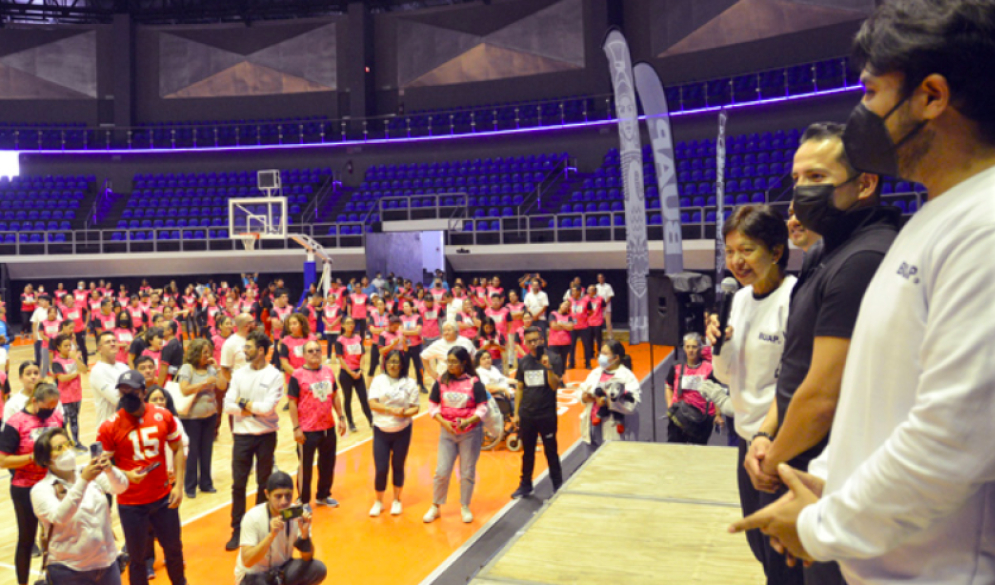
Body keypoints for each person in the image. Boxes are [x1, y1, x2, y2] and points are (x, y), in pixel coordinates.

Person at [733, 3, 995, 583]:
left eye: (872, 93)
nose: (861, 114)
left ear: (931, 96)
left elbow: (956, 436)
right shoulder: (935, 215)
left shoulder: (985, 228)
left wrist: (821, 524)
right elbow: (882, 398)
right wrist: (827, 479)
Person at [743, 122, 898, 584]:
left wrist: (771, 463)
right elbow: (796, 368)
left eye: (816, 178)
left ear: (865, 183)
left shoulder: (863, 260)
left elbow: (824, 394)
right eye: (796, 179)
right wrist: (764, 434)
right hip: (792, 457)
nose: (800, 191)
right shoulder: (823, 253)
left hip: (832, 478)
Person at [703, 205, 797, 581]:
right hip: (745, 440)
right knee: (759, 546)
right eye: (729, 251)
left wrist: (770, 435)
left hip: (780, 443)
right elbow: (725, 375)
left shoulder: (795, 299)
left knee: (781, 557)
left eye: (747, 250)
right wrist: (719, 344)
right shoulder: (737, 300)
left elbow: (797, 382)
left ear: (776, 251)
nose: (736, 261)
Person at [98, 370, 186, 585]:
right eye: (123, 391)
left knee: (174, 551)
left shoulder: (163, 416)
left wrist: (179, 486)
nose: (127, 395)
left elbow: (177, 447)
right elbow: (103, 464)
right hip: (131, 504)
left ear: (144, 392)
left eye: (133, 391)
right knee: (137, 559)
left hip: (163, 498)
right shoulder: (109, 426)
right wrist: (125, 475)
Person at [31, 427, 126, 585]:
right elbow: (60, 516)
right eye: (59, 448)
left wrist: (110, 470)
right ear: (46, 460)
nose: (67, 451)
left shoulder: (88, 472)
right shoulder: (41, 490)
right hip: (69, 571)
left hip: (107, 564)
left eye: (68, 444)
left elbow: (120, 487)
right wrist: (83, 481)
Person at [224, 330, 284, 551]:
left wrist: (243, 404)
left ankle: (259, 528)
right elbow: (228, 405)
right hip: (242, 437)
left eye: (248, 347)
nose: (244, 350)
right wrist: (252, 409)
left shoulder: (274, 375)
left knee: (263, 484)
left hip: (266, 436)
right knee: (238, 485)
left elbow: (268, 409)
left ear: (260, 351)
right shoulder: (239, 374)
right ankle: (237, 530)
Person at [0, 383, 64, 585]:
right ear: (35, 401)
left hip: (52, 485)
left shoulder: (56, 419)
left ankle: (53, 580)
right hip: (25, 487)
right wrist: (32, 457)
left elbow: (64, 445)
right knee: (27, 539)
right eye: (47, 406)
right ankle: (23, 582)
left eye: (54, 406)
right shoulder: (15, 422)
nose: (51, 410)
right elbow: (3, 461)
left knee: (56, 538)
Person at [423, 347, 488, 524]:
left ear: (463, 362)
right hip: (447, 433)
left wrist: (468, 422)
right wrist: (444, 423)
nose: (450, 365)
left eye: (453, 362)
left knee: (467, 472)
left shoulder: (474, 382)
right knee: (441, 471)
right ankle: (435, 506)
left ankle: (465, 506)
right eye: (448, 362)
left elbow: (482, 407)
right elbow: (432, 405)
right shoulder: (441, 381)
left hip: (470, 434)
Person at [235, 471, 326, 585]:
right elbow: (247, 561)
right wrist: (271, 536)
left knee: (317, 569)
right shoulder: (253, 517)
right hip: (254, 575)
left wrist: (304, 536)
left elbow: (307, 558)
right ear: (267, 494)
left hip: (282, 569)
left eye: (288, 496)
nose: (284, 501)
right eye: (278, 496)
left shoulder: (297, 513)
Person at [288, 340, 345, 508]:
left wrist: (341, 417)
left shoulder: (328, 371)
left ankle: (323, 495)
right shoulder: (297, 375)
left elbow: (334, 395)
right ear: (304, 355)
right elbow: (292, 402)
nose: (314, 353)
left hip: (328, 427)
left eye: (317, 350)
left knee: (328, 464)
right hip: (307, 430)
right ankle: (303, 499)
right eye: (310, 351)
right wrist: (296, 427)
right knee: (305, 466)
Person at [511, 326, 563, 499]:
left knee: (551, 451)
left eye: (536, 340)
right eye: (529, 341)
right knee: (528, 452)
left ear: (542, 339)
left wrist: (548, 368)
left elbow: (555, 386)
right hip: (527, 415)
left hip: (546, 414)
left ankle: (557, 484)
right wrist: (517, 413)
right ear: (525, 343)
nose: (533, 344)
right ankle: (525, 485)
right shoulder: (524, 361)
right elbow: (519, 388)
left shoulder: (554, 358)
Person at [367, 349, 420, 517]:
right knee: (381, 468)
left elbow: (416, 407)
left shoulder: (410, 383)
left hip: (402, 430)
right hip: (381, 430)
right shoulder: (378, 380)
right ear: (385, 364)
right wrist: (391, 410)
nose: (393, 365)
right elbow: (372, 403)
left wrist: (404, 413)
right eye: (390, 361)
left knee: (398, 466)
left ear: (402, 364)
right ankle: (379, 502)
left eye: (397, 362)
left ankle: (397, 500)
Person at [178, 338, 226, 498]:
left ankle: (206, 483)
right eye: (204, 352)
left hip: (210, 416)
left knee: (207, 450)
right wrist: (205, 383)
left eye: (209, 352)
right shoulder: (187, 368)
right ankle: (190, 487)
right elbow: (184, 389)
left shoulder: (211, 369)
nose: (207, 355)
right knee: (192, 452)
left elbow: (222, 386)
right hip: (191, 418)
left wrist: (218, 369)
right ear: (195, 352)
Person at [579, 339, 641, 451]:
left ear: (616, 357)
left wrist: (608, 402)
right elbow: (582, 390)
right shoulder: (596, 372)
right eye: (600, 353)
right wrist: (584, 397)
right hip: (591, 427)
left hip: (613, 429)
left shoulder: (627, 377)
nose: (600, 356)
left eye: (605, 354)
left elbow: (633, 406)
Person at [665, 333, 718, 445]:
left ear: (700, 348)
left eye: (694, 347)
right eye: (688, 347)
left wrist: (718, 415)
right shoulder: (676, 367)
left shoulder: (709, 369)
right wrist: (670, 404)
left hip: (701, 419)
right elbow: (668, 385)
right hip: (678, 418)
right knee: (674, 451)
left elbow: (716, 392)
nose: (691, 350)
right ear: (684, 348)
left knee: (698, 454)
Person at [50, 333, 88, 451]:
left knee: (75, 420)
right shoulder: (56, 362)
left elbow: (85, 370)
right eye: (65, 346)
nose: (68, 348)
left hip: (77, 394)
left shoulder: (75, 358)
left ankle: (76, 442)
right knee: (63, 421)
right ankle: (64, 443)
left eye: (69, 345)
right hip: (64, 397)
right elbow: (62, 378)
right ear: (59, 347)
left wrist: (76, 358)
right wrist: (76, 373)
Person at [334, 317, 371, 434]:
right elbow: (340, 359)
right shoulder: (340, 340)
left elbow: (363, 355)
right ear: (343, 326)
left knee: (364, 399)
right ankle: (350, 423)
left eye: (352, 323)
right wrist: (351, 372)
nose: (351, 325)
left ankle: (371, 421)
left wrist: (360, 369)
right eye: (348, 323)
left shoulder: (358, 338)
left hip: (358, 373)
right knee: (348, 399)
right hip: (346, 374)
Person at [89, 332, 130, 428]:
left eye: (114, 341)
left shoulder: (123, 367)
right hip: (108, 425)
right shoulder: (97, 371)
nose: (112, 344)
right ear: (99, 349)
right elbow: (116, 399)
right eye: (108, 342)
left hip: (126, 422)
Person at [399, 301, 427, 393]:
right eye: (403, 307)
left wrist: (405, 332)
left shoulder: (418, 317)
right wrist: (411, 332)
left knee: (418, 366)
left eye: (407, 306)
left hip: (416, 346)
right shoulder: (400, 318)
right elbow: (400, 331)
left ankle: (421, 385)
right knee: (405, 366)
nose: (405, 308)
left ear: (411, 307)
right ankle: (404, 386)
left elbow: (418, 331)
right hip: (405, 346)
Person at [567, 286, 592, 370]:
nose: (572, 293)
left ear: (579, 292)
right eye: (572, 291)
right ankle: (571, 363)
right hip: (573, 327)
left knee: (586, 346)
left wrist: (583, 317)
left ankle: (587, 364)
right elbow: (566, 311)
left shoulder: (586, 300)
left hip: (584, 327)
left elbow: (591, 311)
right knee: (571, 346)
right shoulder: (569, 300)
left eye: (574, 291)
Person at [546, 301, 574, 377]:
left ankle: (561, 379)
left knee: (563, 362)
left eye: (567, 306)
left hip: (566, 343)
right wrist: (566, 326)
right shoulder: (553, 314)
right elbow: (553, 326)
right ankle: (554, 378)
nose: (565, 306)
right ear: (560, 305)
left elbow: (571, 327)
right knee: (554, 361)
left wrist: (560, 323)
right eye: (564, 304)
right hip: (554, 343)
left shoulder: (569, 316)